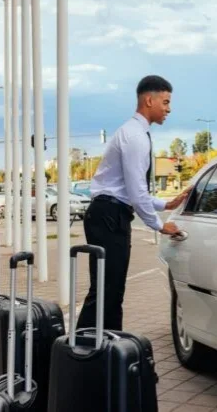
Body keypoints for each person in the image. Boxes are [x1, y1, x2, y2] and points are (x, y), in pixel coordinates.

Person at [76, 75, 191, 331]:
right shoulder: (135, 136)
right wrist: (159, 225)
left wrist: (166, 204)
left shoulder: (135, 133)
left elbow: (130, 189)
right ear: (149, 100)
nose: (169, 108)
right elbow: (136, 191)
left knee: (111, 289)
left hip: (110, 213)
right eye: (166, 101)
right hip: (109, 215)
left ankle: (103, 348)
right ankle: (84, 352)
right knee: (106, 290)